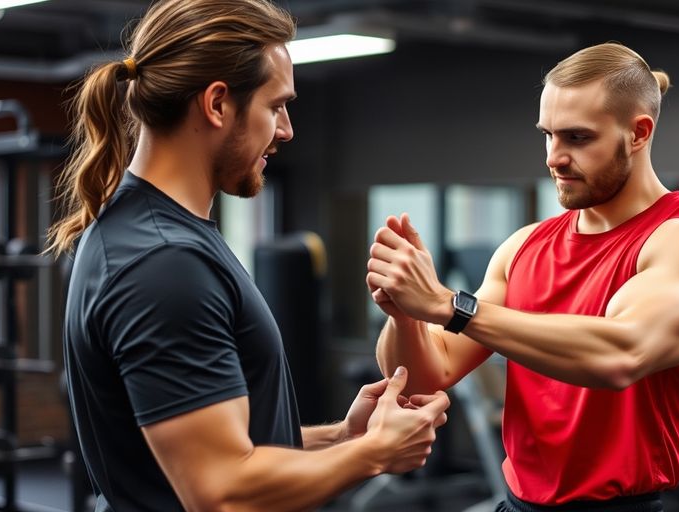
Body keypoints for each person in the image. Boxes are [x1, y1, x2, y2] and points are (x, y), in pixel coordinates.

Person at [49, 1, 450, 510]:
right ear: (217, 104)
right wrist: (375, 453)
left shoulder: (152, 234)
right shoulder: (164, 263)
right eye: (276, 105)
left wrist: (344, 437)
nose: (286, 130)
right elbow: (221, 492)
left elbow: (212, 450)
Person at [368, 42, 679, 511]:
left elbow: (620, 354)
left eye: (577, 138)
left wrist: (447, 307)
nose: (554, 157)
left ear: (638, 134)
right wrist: (404, 312)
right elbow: (427, 374)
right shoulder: (524, 246)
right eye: (548, 135)